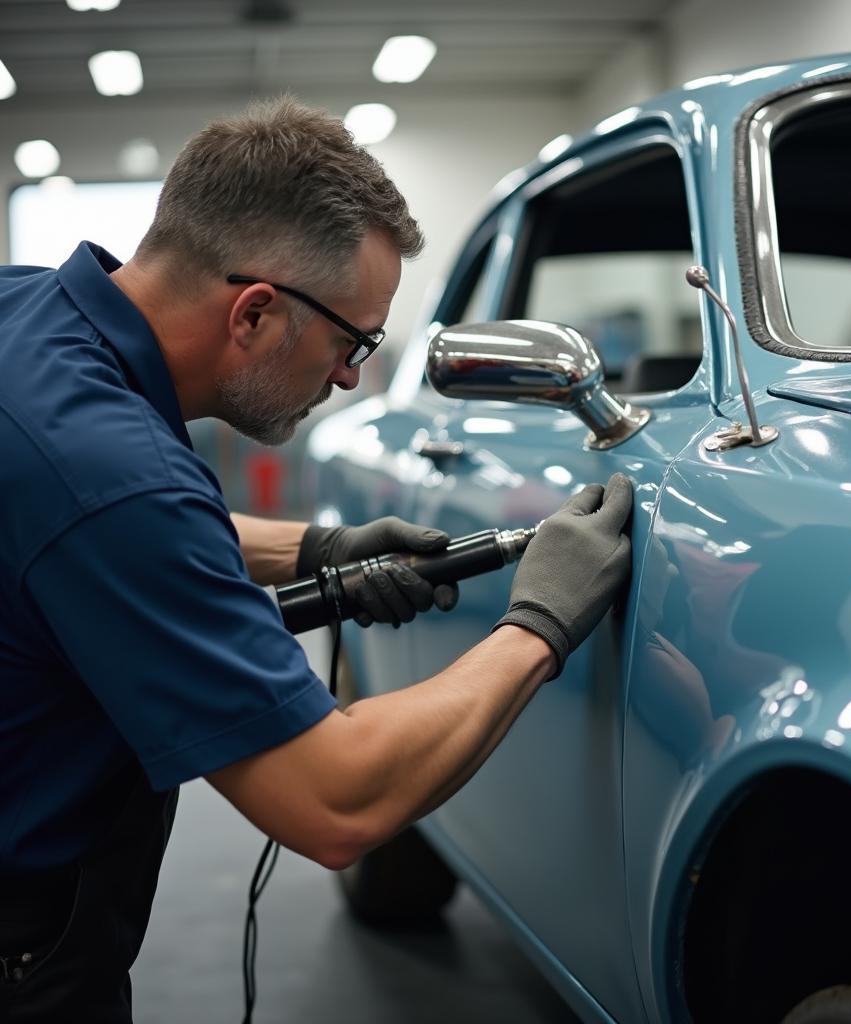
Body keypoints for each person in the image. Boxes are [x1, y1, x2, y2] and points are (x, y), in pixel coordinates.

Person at [0, 97, 632, 1021]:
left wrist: (317, 547)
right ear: (254, 312)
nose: (349, 379)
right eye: (352, 342)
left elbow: (74, 523)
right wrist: (536, 627)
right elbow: (334, 803)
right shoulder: (117, 481)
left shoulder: (25, 310)